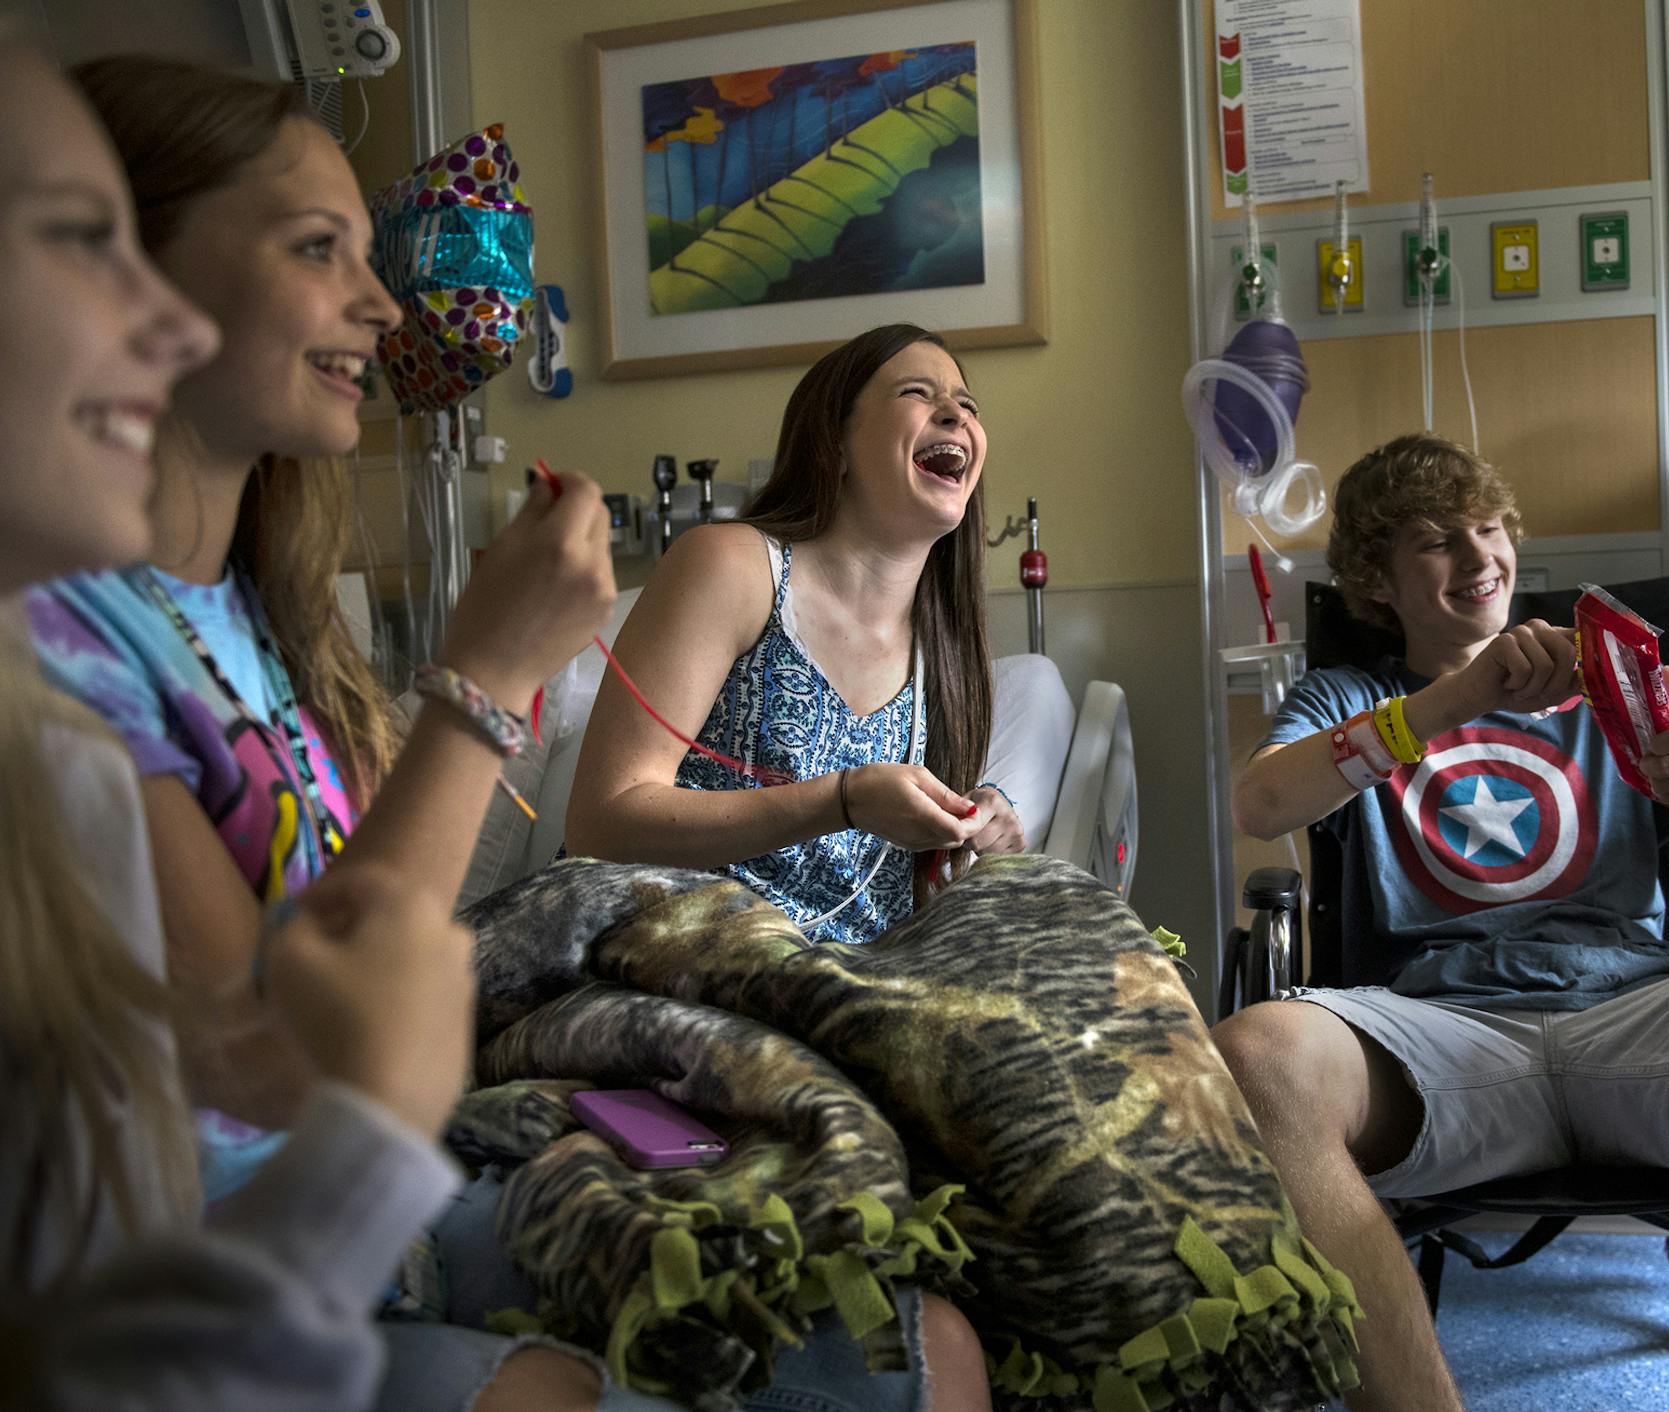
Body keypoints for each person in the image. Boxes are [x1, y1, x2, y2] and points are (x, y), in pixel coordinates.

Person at [31, 53, 989, 1412]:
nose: (378, 304)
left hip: (386, 1169)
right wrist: (484, 687)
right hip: (263, 1239)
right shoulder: (60, 653)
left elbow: (365, 974)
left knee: (934, 1335)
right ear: (133, 279)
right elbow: (312, 1044)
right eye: (320, 249)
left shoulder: (256, 618)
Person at [1214, 433, 1669, 1412]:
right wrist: (1456, 698)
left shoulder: (1619, 675)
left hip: (1642, 1010)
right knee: (1253, 1053)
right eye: (1439, 541)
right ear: (1375, 579)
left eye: (1489, 530)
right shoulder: (1355, 698)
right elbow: (1263, 803)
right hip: (1443, 1032)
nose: (1481, 559)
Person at [0, 34, 477, 1410]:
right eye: (83, 244)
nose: (159, 327)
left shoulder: (274, 614)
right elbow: (282, 1044)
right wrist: (485, 691)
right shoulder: (54, 701)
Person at [566, 322, 1025, 938]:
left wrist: (976, 832)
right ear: (834, 444)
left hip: (846, 992)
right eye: (917, 393)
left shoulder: (946, 651)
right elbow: (602, 823)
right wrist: (841, 800)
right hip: (667, 952)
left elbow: (899, 892)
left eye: (967, 405)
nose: (955, 414)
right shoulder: (731, 567)